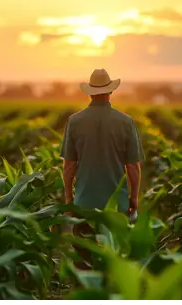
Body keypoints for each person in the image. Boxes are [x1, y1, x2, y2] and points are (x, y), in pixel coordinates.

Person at [60, 69, 145, 269]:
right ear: (111, 92)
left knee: (84, 261)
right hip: (118, 207)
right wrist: (133, 197)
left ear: (89, 93)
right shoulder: (126, 122)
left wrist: (68, 199)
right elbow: (133, 166)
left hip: (84, 203)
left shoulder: (75, 121)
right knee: (116, 262)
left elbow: (69, 166)